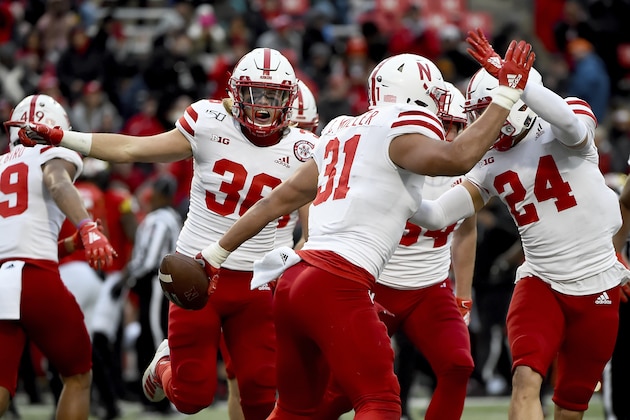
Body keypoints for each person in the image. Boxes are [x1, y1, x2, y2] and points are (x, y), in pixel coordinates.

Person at [195, 44, 536, 418]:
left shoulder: (341, 127)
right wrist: (506, 95)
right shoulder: (404, 124)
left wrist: (215, 254)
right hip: (338, 282)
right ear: (413, 96)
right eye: (435, 95)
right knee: (381, 402)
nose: (441, 108)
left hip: (296, 281)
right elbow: (458, 159)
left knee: (296, 411)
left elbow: (278, 200)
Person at [12, 47, 319, 419]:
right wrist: (64, 137)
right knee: (193, 398)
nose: (265, 105)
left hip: (255, 282)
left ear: (290, 100)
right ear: (237, 93)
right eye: (257, 93)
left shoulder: (305, 149)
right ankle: (163, 364)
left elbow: (314, 226)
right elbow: (131, 148)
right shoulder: (207, 121)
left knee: (261, 396)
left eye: (274, 95)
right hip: (196, 275)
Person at [410, 29, 630, 420]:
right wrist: (394, 192)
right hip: (540, 282)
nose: (482, 123)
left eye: (487, 109)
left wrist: (518, 83)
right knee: (525, 380)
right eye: (476, 114)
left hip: (598, 280)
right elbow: (439, 214)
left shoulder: (566, 119)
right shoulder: (487, 164)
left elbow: (572, 126)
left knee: (571, 406)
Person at [311, 81, 477, 420]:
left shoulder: (464, 169)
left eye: (455, 126)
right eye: (441, 123)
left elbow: (466, 229)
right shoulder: (385, 158)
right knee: (344, 390)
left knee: (458, 363)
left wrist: (462, 296)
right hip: (375, 285)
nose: (447, 135)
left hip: (430, 288)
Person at [0, 94, 115, 419]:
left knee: (2, 387)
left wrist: (70, 244)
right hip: (36, 278)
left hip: (2, 280)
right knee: (78, 375)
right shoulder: (53, 153)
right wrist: (89, 227)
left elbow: (13, 237)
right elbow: (57, 182)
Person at [222, 78, 320, 420]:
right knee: (245, 378)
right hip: (254, 269)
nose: (303, 141)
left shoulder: (303, 149)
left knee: (286, 375)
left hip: (278, 267)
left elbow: (312, 232)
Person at [125, 174, 182, 413]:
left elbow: (152, 259)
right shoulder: (158, 217)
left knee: (156, 336)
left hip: (156, 281)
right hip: (149, 281)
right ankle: (151, 397)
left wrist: (134, 276)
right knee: (149, 337)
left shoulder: (163, 219)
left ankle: (164, 399)